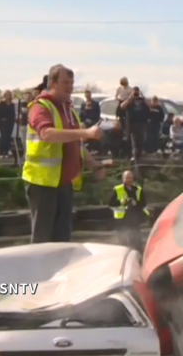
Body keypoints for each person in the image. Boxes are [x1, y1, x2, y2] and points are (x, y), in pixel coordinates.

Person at [24, 64, 106, 244]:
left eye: (72, 82)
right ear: (52, 83)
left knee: (62, 239)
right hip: (43, 183)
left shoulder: (69, 110)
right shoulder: (40, 107)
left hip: (64, 183)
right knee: (43, 239)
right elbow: (47, 134)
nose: (70, 86)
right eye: (65, 82)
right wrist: (85, 133)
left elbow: (74, 143)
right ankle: (40, 272)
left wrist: (94, 164)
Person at [109, 169, 150, 253]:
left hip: (135, 218)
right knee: (123, 240)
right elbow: (110, 203)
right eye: (127, 177)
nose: (129, 179)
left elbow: (143, 203)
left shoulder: (138, 189)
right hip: (122, 219)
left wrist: (136, 203)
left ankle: (138, 252)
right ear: (123, 178)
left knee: (136, 238)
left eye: (131, 177)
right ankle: (124, 253)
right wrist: (122, 202)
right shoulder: (117, 189)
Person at [119, 86, 149, 161]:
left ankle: (138, 156)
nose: (136, 94)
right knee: (131, 141)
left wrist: (142, 96)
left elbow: (149, 105)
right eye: (134, 92)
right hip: (131, 124)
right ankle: (131, 156)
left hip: (141, 124)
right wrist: (130, 98)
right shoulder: (129, 101)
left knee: (140, 141)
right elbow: (122, 106)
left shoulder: (143, 101)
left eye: (137, 92)